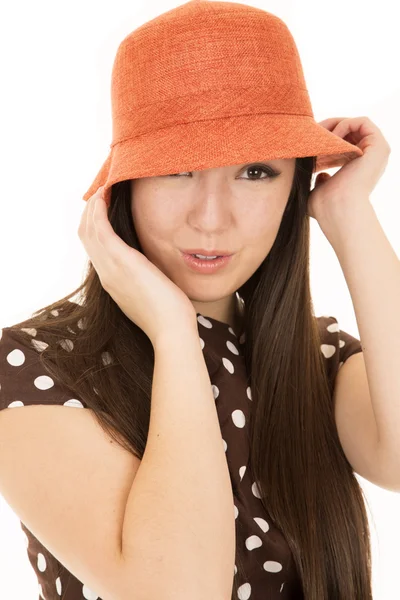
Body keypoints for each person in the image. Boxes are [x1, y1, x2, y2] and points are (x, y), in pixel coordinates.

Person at [0, 2, 372, 599]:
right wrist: (174, 332)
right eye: (177, 170)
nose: (211, 219)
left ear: (295, 187)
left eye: (256, 172)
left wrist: (349, 215)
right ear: (124, 188)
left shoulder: (314, 356)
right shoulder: (36, 367)